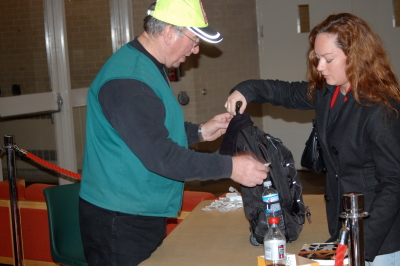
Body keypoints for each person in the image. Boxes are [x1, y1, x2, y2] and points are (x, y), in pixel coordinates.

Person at [79, 0, 269, 265]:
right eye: (193, 40)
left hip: (139, 211)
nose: (195, 49)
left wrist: (200, 131)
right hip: (119, 220)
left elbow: (149, 129)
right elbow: (162, 157)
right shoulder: (129, 82)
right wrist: (230, 167)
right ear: (168, 32)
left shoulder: (148, 65)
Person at [225, 13, 400, 265]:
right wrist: (246, 89)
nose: (319, 67)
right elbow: (284, 92)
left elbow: (394, 184)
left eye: (328, 59)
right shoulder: (329, 91)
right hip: (344, 230)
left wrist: (360, 244)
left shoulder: (380, 108)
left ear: (357, 57)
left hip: (377, 239)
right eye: (317, 58)